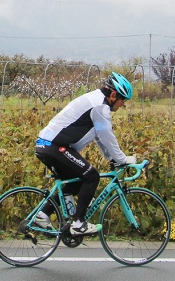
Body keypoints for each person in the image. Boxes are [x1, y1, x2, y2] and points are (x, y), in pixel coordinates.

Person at [34, 72, 136, 236]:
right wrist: (122, 159)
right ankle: (78, 223)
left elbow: (99, 136)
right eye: (123, 100)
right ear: (113, 95)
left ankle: (42, 214)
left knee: (75, 183)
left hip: (46, 145)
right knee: (92, 176)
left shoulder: (95, 99)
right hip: (55, 146)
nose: (123, 104)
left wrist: (111, 158)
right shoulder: (100, 106)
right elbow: (106, 134)